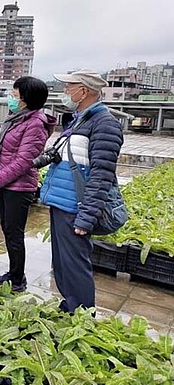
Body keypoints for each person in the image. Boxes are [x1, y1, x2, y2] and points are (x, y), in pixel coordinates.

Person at [40, 68, 123, 313]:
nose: (65, 91)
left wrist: (86, 217)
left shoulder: (104, 124)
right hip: (62, 202)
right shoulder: (81, 119)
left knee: (75, 265)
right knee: (63, 264)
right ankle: (70, 307)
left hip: (76, 207)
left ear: (84, 90)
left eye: (69, 86)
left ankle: (82, 316)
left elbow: (101, 175)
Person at [0, 77, 57, 292]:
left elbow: (24, 161)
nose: (11, 98)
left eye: (14, 95)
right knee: (8, 230)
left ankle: (17, 280)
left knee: (14, 234)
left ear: (25, 99)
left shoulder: (35, 124)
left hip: (19, 187)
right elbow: (3, 151)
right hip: (8, 185)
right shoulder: (17, 118)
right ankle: (14, 273)